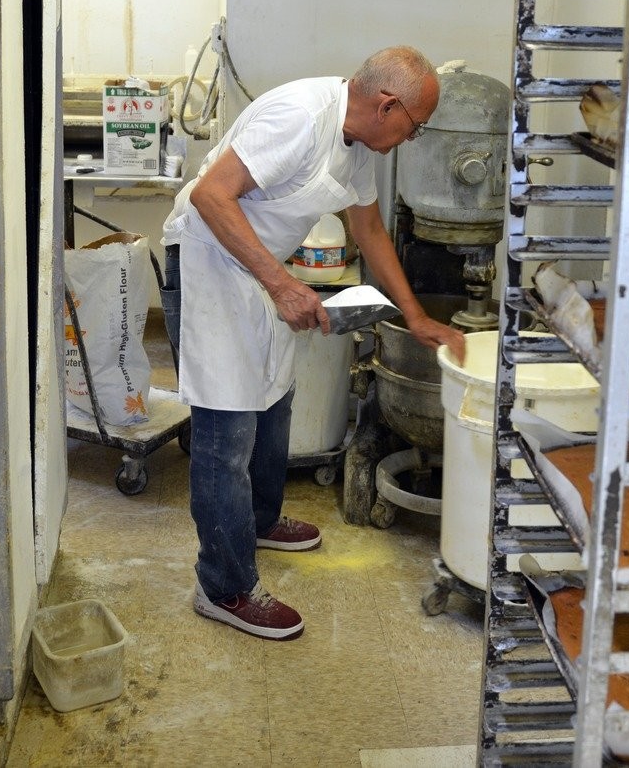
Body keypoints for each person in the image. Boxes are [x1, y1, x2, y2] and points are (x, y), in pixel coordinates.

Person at [161, 45, 467, 640]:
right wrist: (281, 286)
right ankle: (223, 587)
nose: (413, 137)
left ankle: (258, 520)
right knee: (226, 428)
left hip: (257, 267)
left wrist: (416, 316)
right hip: (208, 260)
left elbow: (368, 227)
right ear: (387, 105)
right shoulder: (300, 117)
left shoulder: (359, 142)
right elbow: (210, 196)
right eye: (416, 125)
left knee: (274, 399)